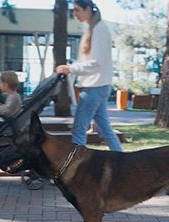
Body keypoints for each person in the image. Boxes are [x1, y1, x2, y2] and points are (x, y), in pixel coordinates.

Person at [55, 0, 122, 152]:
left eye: (77, 10)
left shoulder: (98, 30)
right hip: (98, 86)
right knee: (105, 130)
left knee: (79, 130)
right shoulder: (94, 28)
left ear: (88, 10)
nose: (74, 14)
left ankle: (76, 162)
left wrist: (70, 68)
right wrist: (71, 67)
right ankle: (123, 161)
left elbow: (96, 62)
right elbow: (91, 60)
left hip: (94, 87)